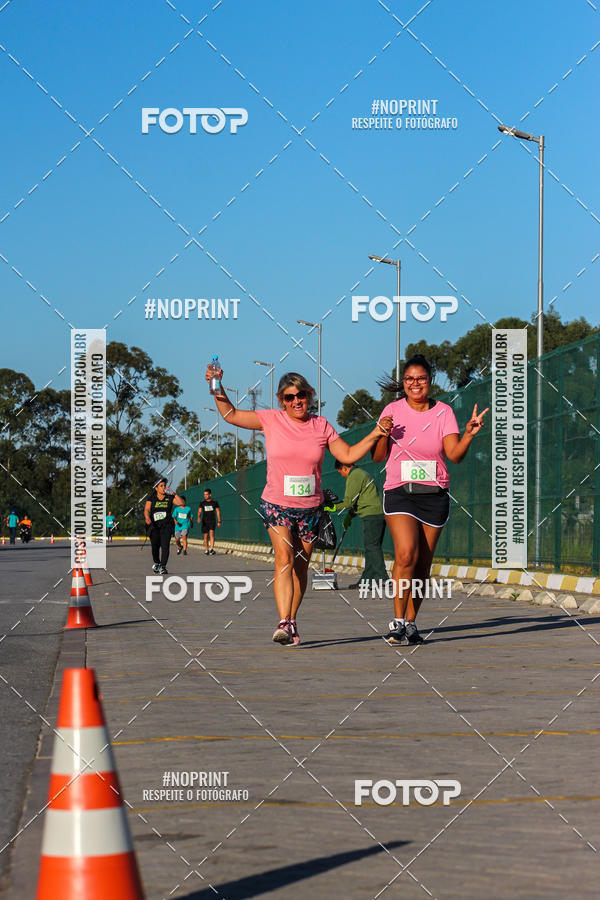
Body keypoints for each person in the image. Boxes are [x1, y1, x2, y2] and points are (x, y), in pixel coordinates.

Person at [206, 363, 393, 646]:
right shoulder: (271, 419)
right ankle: (282, 621)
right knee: (283, 558)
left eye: (301, 395)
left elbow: (348, 453)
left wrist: (376, 434)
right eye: (290, 397)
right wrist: (216, 386)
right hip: (276, 504)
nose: (296, 401)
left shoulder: (321, 426)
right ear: (282, 401)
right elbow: (231, 415)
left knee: (301, 566)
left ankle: (291, 619)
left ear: (310, 395)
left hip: (310, 509)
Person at [372, 354, 488, 645]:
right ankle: (397, 622)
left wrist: (470, 434)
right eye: (409, 379)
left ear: (429, 381)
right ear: (403, 383)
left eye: (421, 379)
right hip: (399, 490)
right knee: (406, 554)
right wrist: (382, 434)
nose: (415, 384)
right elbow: (376, 457)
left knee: (423, 563)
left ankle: (411, 623)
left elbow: (455, 455)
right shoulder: (392, 410)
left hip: (434, 493)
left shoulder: (444, 412)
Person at [334, 460, 388, 589]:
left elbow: (348, 502)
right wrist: (349, 517)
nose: (342, 475)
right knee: (370, 547)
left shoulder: (355, 475)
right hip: (376, 513)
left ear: (344, 468)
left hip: (372, 514)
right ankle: (366, 580)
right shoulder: (361, 473)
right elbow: (359, 499)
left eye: (340, 472)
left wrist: (329, 507)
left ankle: (382, 577)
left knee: (372, 546)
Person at [144, 478, 185, 574]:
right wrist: (147, 517)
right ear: (156, 488)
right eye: (161, 486)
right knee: (155, 546)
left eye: (164, 485)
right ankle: (157, 562)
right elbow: (146, 509)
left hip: (166, 525)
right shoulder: (151, 498)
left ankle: (163, 566)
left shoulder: (169, 497)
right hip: (154, 525)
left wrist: (174, 494)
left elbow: (182, 503)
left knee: (165, 545)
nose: (163, 488)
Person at [197, 489, 221, 555]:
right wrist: (198, 517)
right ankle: (206, 549)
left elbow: (218, 511)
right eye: (204, 494)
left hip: (212, 521)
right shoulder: (202, 502)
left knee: (211, 534)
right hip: (205, 521)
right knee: (205, 536)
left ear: (210, 494)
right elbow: (199, 511)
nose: (205, 496)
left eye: (206, 494)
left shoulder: (215, 502)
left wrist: (219, 521)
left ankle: (212, 549)